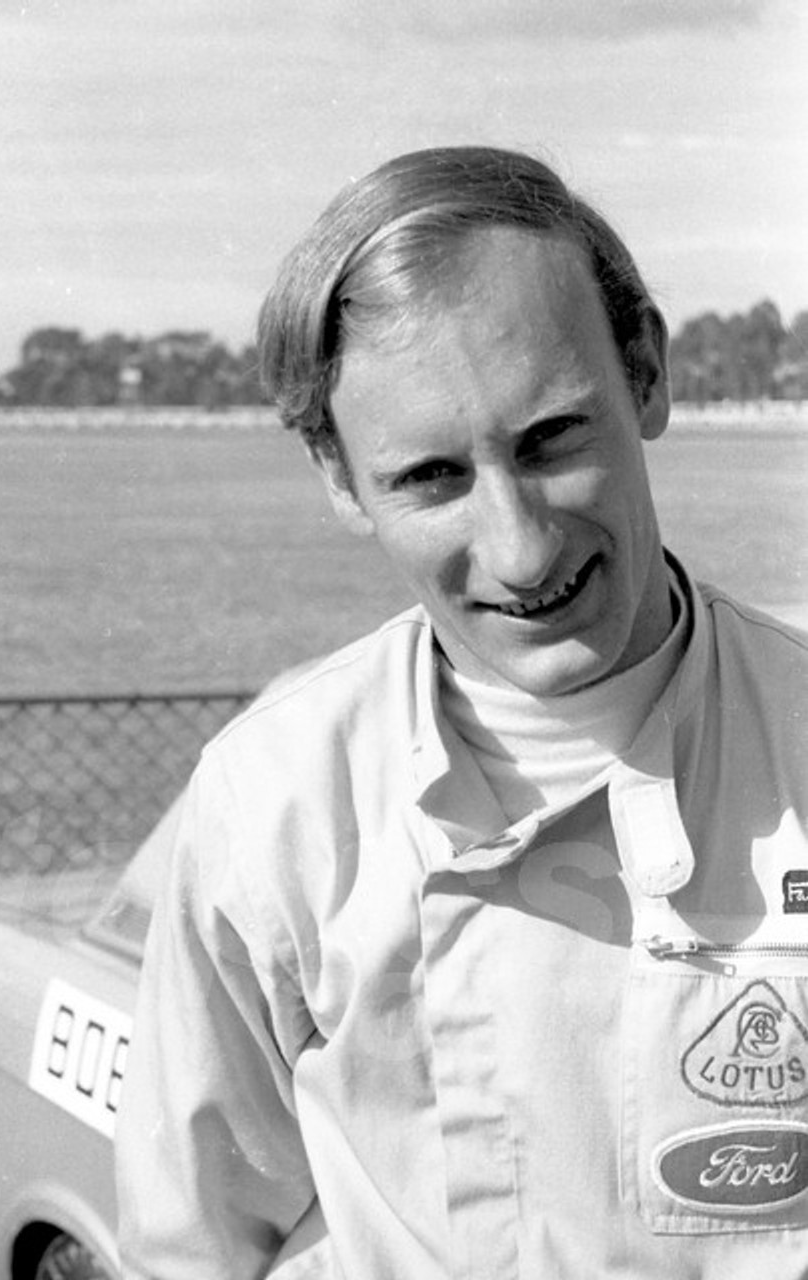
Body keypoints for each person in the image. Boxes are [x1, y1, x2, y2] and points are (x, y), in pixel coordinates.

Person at [115, 146, 808, 1279]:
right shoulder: (271, 802)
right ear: (338, 477)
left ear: (644, 374)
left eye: (552, 439)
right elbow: (186, 1247)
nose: (521, 547)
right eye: (432, 477)